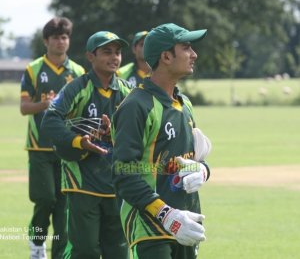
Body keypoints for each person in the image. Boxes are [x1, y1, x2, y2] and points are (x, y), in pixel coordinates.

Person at [111, 23, 212, 259]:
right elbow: (123, 173)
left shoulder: (184, 103)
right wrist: (166, 215)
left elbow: (195, 159)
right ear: (166, 56)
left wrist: (204, 171)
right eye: (186, 47)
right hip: (150, 226)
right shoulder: (136, 106)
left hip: (187, 221)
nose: (194, 54)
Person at [41, 31, 132, 259]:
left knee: (119, 250)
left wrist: (115, 135)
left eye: (118, 52)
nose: (114, 57)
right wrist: (78, 142)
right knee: (85, 250)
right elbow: (50, 121)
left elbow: (138, 131)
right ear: (90, 56)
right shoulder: (76, 88)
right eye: (107, 52)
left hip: (116, 182)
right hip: (81, 182)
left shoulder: (126, 92)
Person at [20, 17, 85, 259]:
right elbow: (24, 108)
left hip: (67, 148)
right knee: (45, 200)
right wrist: (44, 104)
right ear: (46, 41)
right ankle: (37, 246)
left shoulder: (78, 72)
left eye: (65, 37)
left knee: (64, 206)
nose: (61, 41)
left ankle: (60, 254)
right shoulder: (34, 69)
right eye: (56, 37)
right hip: (39, 148)